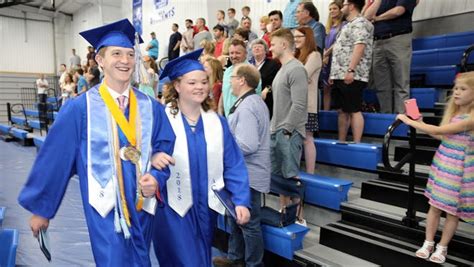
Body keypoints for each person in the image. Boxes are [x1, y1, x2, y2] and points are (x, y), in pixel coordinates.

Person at [18, 19, 175, 266]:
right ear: (100, 61)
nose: (125, 61)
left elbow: (164, 147)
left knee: (142, 259)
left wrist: (156, 176)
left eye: (130, 54)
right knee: (114, 260)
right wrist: (42, 210)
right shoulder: (80, 108)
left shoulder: (151, 107)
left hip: (142, 205)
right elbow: (56, 159)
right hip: (105, 210)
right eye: (116, 54)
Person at [151, 49, 251, 267]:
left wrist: (241, 201)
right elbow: (142, 154)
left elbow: (233, 164)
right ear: (177, 86)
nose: (200, 87)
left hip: (207, 208)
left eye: (204, 82)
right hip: (171, 208)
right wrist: (152, 158)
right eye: (192, 82)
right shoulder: (160, 119)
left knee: (201, 259)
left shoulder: (217, 123)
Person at [396, 71, 474, 264]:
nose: (456, 92)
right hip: (443, 162)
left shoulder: (472, 117)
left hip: (459, 167)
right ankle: (428, 242)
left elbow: (439, 130)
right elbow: (442, 136)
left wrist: (410, 121)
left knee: (452, 211)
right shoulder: (454, 113)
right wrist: (421, 123)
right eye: (455, 88)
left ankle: (442, 247)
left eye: (463, 89)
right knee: (434, 206)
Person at [213, 64, 270, 267]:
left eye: (232, 77)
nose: (229, 81)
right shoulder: (249, 102)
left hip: (249, 175)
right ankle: (235, 259)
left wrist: (223, 146)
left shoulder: (248, 106)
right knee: (235, 220)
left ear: (242, 80)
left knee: (249, 224)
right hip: (244, 173)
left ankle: (254, 264)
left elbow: (247, 144)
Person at [269, 28, 308, 225]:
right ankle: (284, 212)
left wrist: (287, 130)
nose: (270, 47)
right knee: (278, 178)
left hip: (288, 133)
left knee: (290, 176)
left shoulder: (296, 68)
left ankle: (299, 218)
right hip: (276, 131)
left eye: (273, 44)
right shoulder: (281, 70)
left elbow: (299, 104)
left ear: (284, 45)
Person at [329, 0, 373, 143]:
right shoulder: (348, 24)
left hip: (353, 74)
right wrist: (333, 73)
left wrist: (351, 70)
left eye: (345, 4)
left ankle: (357, 142)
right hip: (340, 73)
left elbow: (359, 46)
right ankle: (341, 141)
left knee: (354, 109)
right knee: (342, 110)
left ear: (352, 6)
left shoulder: (361, 23)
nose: (342, 7)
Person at [365, 0, 417, 114]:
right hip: (378, 41)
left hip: (398, 39)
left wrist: (378, 18)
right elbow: (366, 16)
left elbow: (398, 11)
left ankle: (401, 120)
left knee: (401, 83)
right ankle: (386, 117)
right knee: (382, 86)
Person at [294, 26, 322, 176]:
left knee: (307, 138)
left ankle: (310, 173)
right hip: (295, 104)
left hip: (307, 105)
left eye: (299, 37)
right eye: (294, 37)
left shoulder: (314, 55)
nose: (295, 40)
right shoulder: (297, 56)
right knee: (296, 139)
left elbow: (301, 76)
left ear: (308, 38)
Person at [219, 39, 262, 117]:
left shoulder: (252, 72)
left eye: (238, 53)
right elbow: (224, 93)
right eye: (231, 53)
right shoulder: (227, 71)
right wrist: (220, 113)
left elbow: (256, 98)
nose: (234, 56)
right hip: (228, 119)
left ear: (245, 54)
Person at [322, 1, 345, 110]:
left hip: (338, 59)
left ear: (341, 9)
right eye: (330, 9)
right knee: (326, 88)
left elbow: (339, 42)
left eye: (334, 8)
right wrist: (325, 55)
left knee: (337, 88)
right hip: (327, 59)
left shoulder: (344, 25)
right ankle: (326, 113)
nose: (332, 11)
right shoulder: (328, 27)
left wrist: (327, 53)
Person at [249, 39, 280, 119]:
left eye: (259, 47)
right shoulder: (248, 64)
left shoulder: (273, 64)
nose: (256, 48)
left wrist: (267, 90)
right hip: (250, 100)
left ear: (265, 50)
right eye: (254, 47)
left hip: (267, 100)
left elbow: (275, 81)